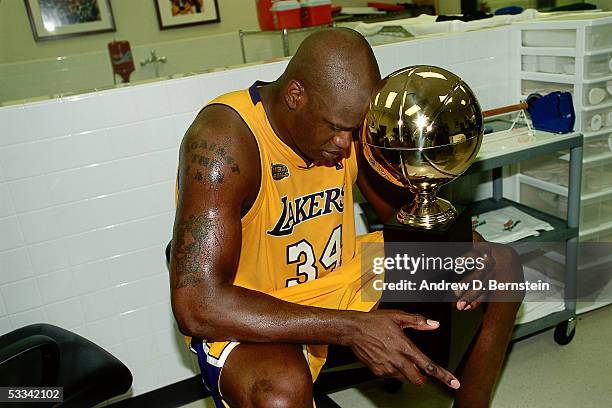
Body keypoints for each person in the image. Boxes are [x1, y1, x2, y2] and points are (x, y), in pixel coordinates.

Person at [170, 28, 524, 408]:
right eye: (337, 128)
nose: (345, 144)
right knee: (278, 394)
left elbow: (405, 219)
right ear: (295, 95)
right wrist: (352, 329)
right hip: (253, 308)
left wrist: (469, 252)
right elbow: (197, 305)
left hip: (340, 282)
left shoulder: (347, 132)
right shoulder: (226, 141)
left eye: (354, 130)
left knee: (501, 267)